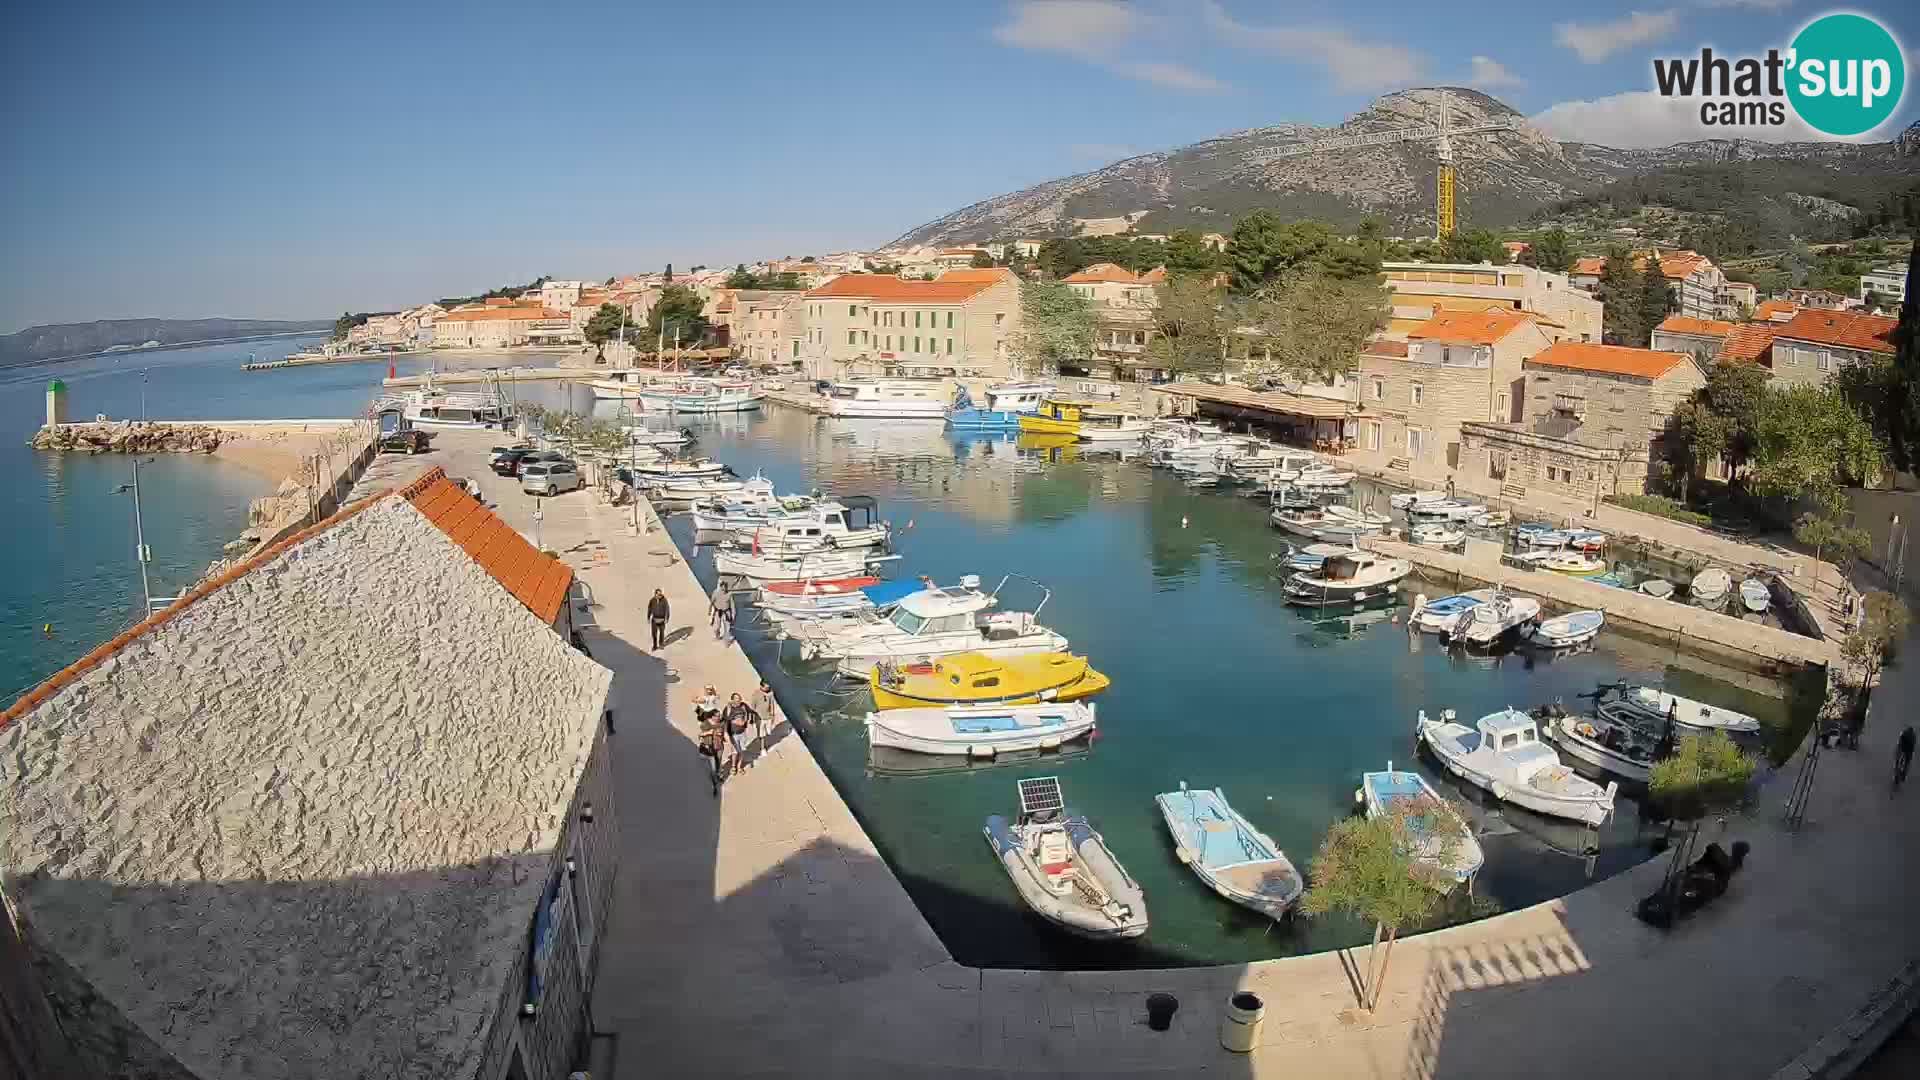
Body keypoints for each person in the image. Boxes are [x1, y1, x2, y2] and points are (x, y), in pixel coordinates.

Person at [694, 689, 725, 791]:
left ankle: (719, 775)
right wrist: (708, 733)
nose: (719, 717)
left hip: (719, 746)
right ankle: (714, 783)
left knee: (719, 762)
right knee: (712, 766)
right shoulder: (705, 724)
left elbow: (723, 732)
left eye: (719, 716)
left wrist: (723, 738)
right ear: (712, 716)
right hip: (710, 747)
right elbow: (700, 735)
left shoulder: (721, 723)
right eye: (717, 716)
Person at [723, 692, 760, 770]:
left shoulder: (743, 705)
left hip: (743, 733)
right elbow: (724, 721)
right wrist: (734, 722)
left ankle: (739, 766)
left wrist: (747, 720)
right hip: (733, 734)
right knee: (735, 752)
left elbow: (750, 711)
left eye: (739, 698)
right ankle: (733, 766)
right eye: (736, 699)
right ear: (732, 700)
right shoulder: (728, 709)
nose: (739, 700)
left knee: (742, 751)